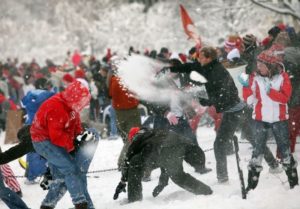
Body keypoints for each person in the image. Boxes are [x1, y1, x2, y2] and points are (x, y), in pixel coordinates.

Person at [160, 46, 246, 183]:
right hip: (230, 110)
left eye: (201, 57)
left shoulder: (218, 72)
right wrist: (171, 69)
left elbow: (226, 94)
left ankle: (223, 178)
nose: (198, 59)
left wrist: (208, 101)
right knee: (247, 138)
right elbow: (189, 67)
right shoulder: (206, 67)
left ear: (209, 58)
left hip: (235, 110)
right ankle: (224, 176)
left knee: (221, 144)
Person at [30, 80, 92, 209]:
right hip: (42, 140)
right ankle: (80, 202)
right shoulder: (56, 107)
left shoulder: (71, 106)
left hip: (55, 139)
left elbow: (75, 122)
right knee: (70, 168)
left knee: (61, 177)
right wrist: (72, 144)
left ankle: (47, 205)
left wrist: (79, 135)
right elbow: (56, 135)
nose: (81, 105)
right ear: (75, 97)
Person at [243, 49, 298, 190]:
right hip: (260, 119)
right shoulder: (254, 78)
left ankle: (294, 184)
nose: (258, 67)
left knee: (285, 151)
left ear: (270, 65)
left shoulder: (283, 77)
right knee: (257, 153)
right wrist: (245, 87)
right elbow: (250, 100)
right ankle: (251, 187)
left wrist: (270, 92)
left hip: (279, 119)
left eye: (261, 65)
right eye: (258, 64)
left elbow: (285, 98)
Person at [113, 127, 212, 203]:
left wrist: (123, 181)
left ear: (133, 136)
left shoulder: (138, 137)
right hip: (179, 144)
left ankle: (134, 201)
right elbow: (165, 161)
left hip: (163, 149)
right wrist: (162, 182)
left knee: (134, 162)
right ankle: (205, 191)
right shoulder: (155, 133)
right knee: (178, 176)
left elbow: (128, 160)